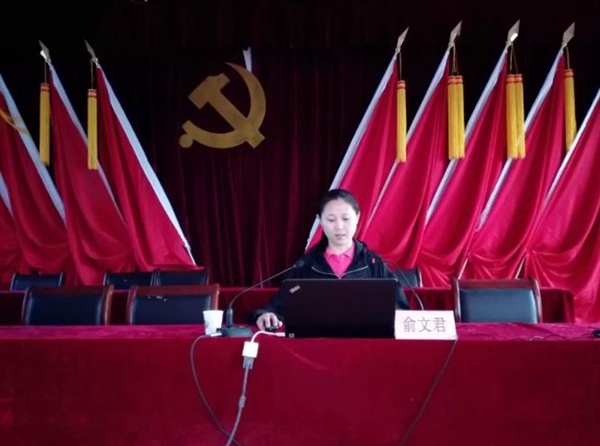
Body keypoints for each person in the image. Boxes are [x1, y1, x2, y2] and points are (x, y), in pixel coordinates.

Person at [254, 188, 410, 331]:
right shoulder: (305, 265)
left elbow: (400, 310)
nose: (339, 226)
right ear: (320, 220)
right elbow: (279, 307)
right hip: (317, 344)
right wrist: (265, 315)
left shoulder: (374, 264)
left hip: (364, 344)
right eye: (331, 220)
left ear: (357, 217)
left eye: (346, 218)